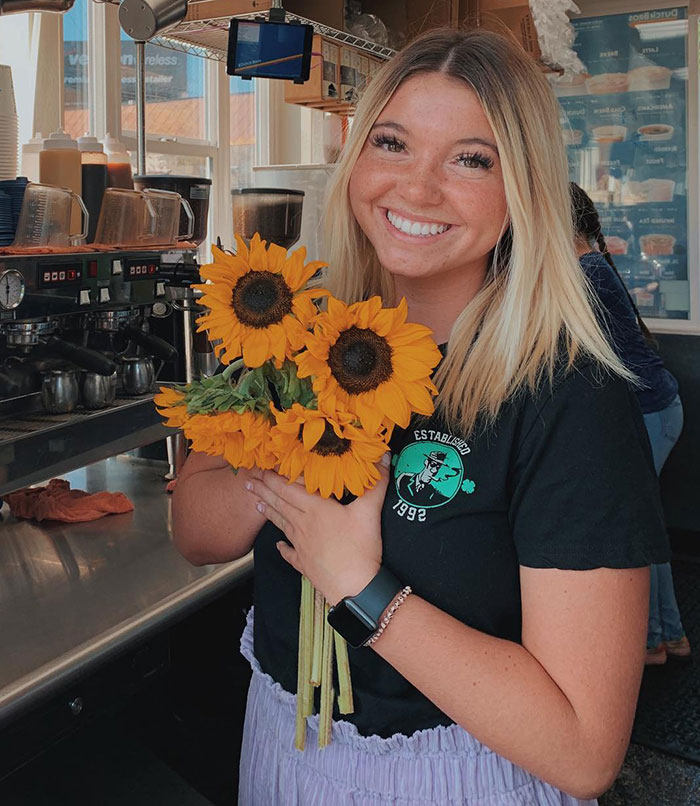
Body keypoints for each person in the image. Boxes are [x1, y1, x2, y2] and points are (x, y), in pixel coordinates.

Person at [173, 28, 670, 805]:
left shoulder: (568, 399)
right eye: (393, 143)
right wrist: (287, 457)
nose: (417, 187)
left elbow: (581, 749)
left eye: (472, 158)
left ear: (524, 189)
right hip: (281, 751)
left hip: (459, 780)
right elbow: (195, 534)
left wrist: (358, 584)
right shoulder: (293, 340)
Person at [570, 182, 689, 667]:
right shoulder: (590, 266)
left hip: (650, 414)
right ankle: (666, 637)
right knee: (646, 526)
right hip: (654, 409)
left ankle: (654, 640)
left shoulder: (587, 272)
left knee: (637, 530)